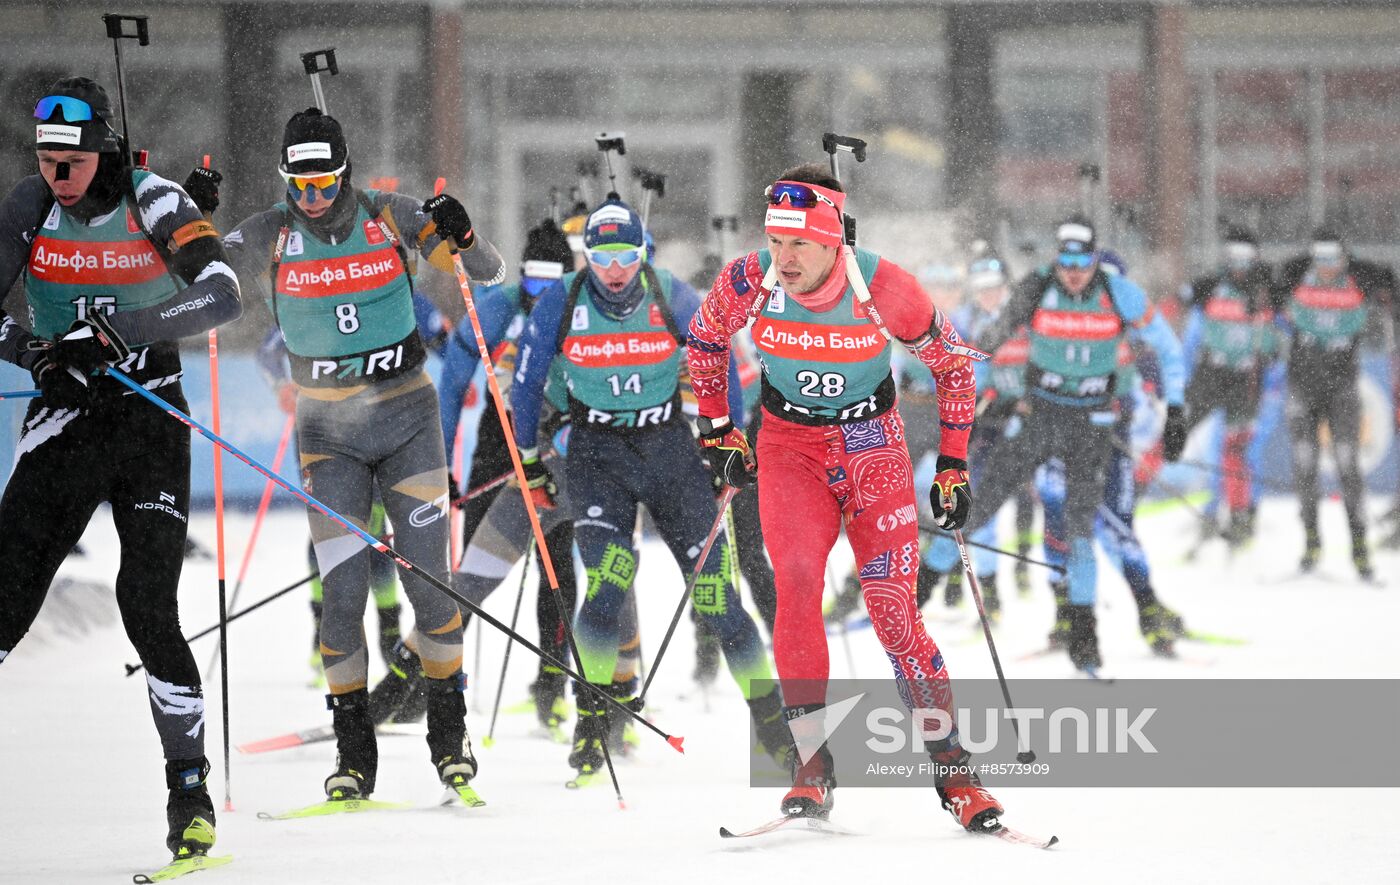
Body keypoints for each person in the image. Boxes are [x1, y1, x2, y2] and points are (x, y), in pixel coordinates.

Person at [686, 163, 1004, 832]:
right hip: (788, 450)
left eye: (800, 242)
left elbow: (953, 366)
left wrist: (952, 465)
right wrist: (716, 428)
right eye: (776, 240)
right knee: (797, 583)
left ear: (834, 239)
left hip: (873, 451)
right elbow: (706, 338)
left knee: (892, 613)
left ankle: (955, 771)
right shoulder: (752, 279)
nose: (785, 257)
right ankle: (812, 762)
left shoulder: (883, 285)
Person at [211, 106, 504, 801]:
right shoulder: (270, 233)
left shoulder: (390, 215)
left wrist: (461, 230)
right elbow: (189, 274)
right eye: (300, 185)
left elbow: (486, 272)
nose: (313, 199)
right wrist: (188, 224)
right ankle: (353, 756)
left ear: (344, 173)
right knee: (341, 596)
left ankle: (448, 735)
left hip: (408, 422)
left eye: (325, 183)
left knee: (431, 587)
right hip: (328, 438)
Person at [0, 78, 241, 862]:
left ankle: (190, 793)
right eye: (45, 157)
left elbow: (221, 292)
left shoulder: (154, 199)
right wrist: (32, 353)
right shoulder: (26, 208)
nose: (56, 173)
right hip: (66, 421)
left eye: (68, 158)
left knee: (144, 599)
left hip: (149, 417)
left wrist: (113, 335)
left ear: (101, 145)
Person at [510, 196, 789, 781]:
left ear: (642, 252)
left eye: (626, 255)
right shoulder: (563, 301)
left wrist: (725, 444)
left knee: (717, 599)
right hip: (596, 457)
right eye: (601, 255)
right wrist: (531, 462)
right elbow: (528, 384)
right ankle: (592, 724)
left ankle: (776, 730)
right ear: (587, 255)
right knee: (609, 580)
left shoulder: (671, 295)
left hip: (669, 451)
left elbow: (720, 366)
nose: (614, 269)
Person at [949, 216, 1186, 673]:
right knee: (1063, 514)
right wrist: (1000, 402)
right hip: (1062, 427)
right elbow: (1016, 357)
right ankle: (1076, 616)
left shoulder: (1123, 320)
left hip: (1106, 437)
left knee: (1112, 527)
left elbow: (1153, 375)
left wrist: (1169, 413)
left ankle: (1146, 607)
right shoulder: (1049, 310)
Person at [438, 218, 581, 735]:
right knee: (472, 572)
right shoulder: (497, 307)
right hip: (498, 450)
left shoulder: (576, 310)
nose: (540, 292)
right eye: (532, 280)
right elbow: (452, 386)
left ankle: (553, 683)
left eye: (551, 281)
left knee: (557, 569)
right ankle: (439, 682)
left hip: (550, 451)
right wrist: (443, 465)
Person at [1273, 228, 1394, 579]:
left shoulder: (1358, 279)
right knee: (1305, 464)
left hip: (1341, 387)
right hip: (1303, 384)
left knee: (1347, 464)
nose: (1326, 267)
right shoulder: (1298, 277)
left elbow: (1387, 281)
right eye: (1319, 259)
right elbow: (1273, 285)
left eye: (1333, 260)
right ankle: (1311, 543)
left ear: (1344, 258)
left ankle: (1359, 549)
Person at [1176, 226, 1277, 546]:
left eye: (1247, 258)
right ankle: (1133, 497)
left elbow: (1281, 338)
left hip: (1248, 382)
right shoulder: (1210, 287)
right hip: (1211, 374)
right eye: (1234, 257)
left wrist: (1272, 373)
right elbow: (1180, 323)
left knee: (1238, 450)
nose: (1240, 265)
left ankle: (1241, 518)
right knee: (1175, 431)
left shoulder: (1267, 292)